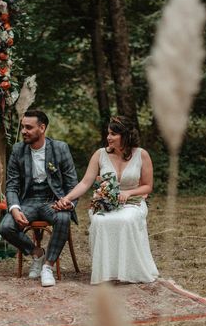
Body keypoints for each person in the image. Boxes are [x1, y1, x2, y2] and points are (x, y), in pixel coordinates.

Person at [56, 116, 159, 284]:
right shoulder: (100, 154)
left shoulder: (142, 155)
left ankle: (129, 270)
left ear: (125, 136)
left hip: (132, 203)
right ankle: (107, 271)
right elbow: (85, 182)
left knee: (125, 220)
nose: (108, 137)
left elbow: (147, 186)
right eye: (108, 133)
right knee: (99, 221)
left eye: (113, 134)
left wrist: (129, 193)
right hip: (105, 202)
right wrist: (67, 198)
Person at [0, 109, 78, 287]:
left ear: (42, 128)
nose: (23, 131)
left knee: (63, 218)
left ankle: (47, 267)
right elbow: (12, 185)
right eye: (22, 127)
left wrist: (67, 202)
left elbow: (72, 184)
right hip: (29, 201)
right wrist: (15, 208)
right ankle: (37, 254)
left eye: (28, 127)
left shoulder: (60, 148)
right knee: (5, 227)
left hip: (53, 200)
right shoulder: (18, 150)